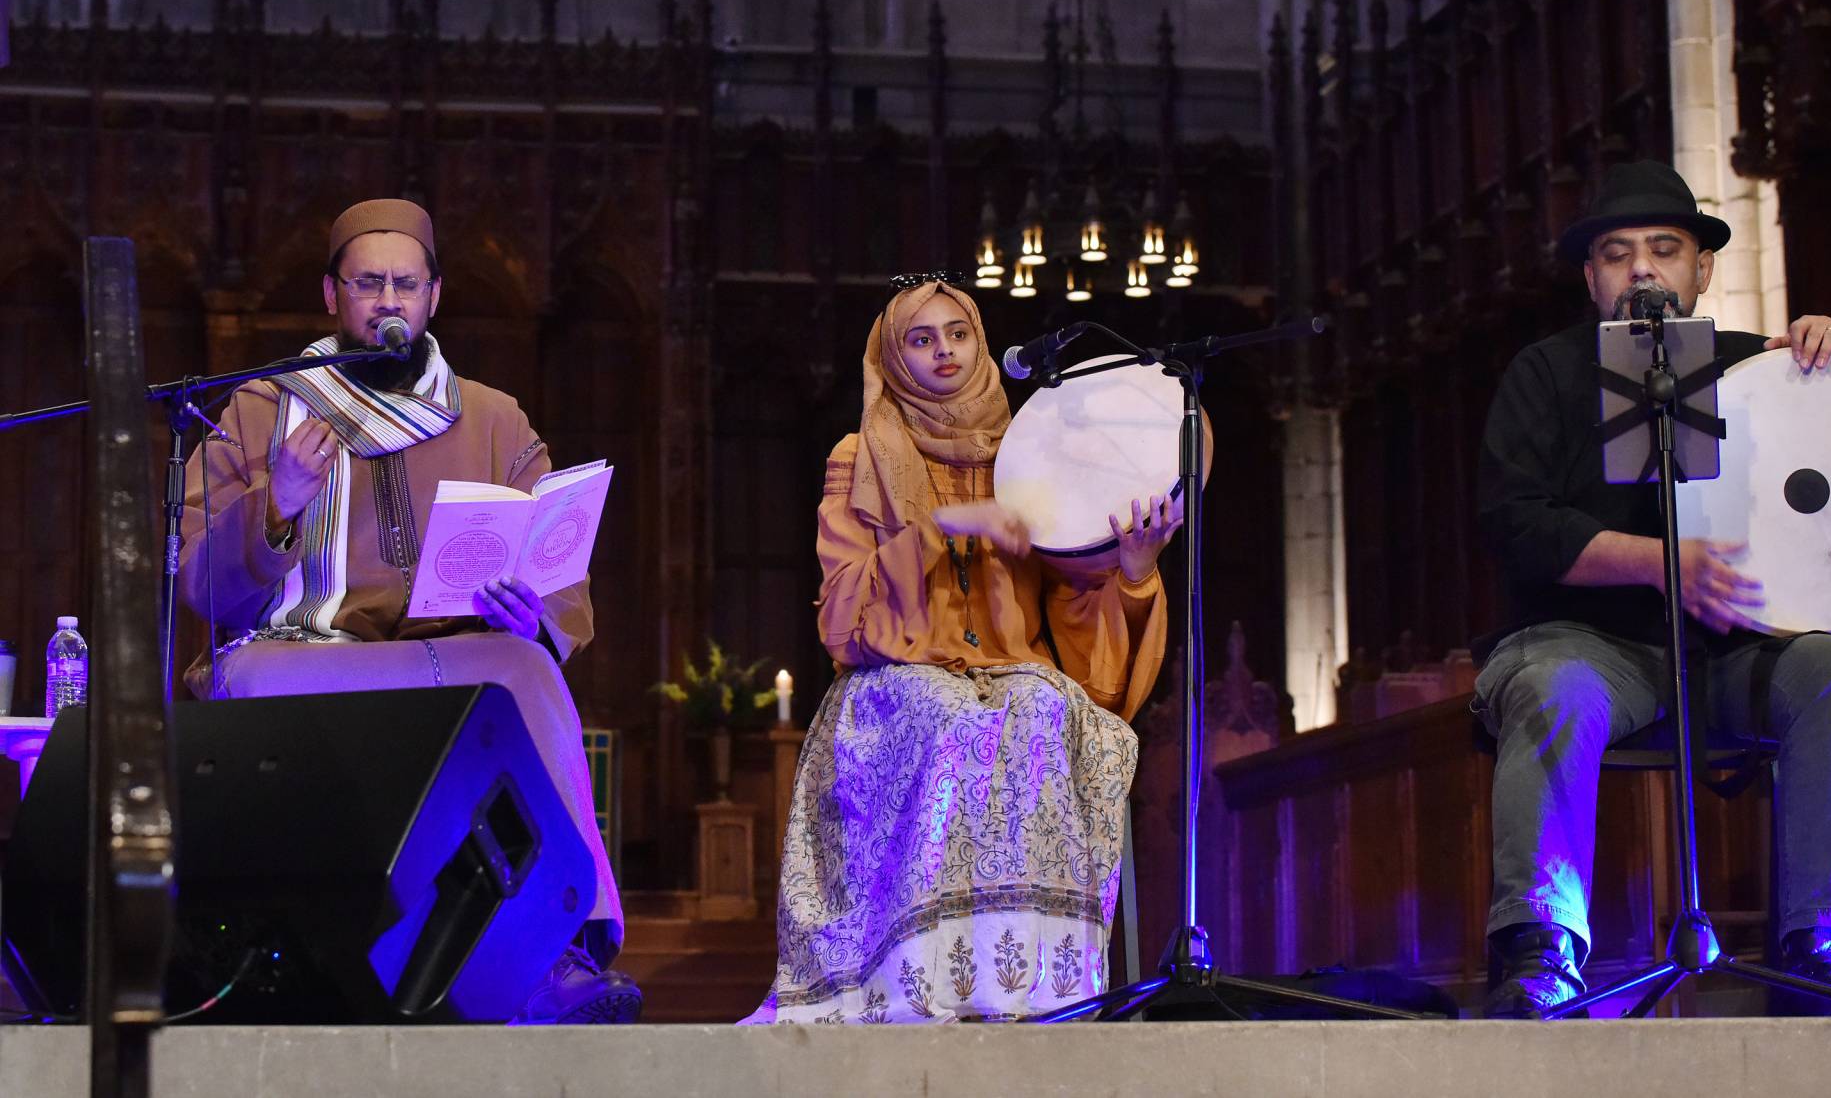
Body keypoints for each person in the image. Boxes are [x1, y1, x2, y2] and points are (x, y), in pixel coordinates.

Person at [178, 198, 641, 1024]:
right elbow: (202, 591)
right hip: (300, 658)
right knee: (241, 679)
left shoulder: (493, 418)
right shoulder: (261, 411)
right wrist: (275, 505)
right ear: (332, 295)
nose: (387, 301)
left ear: (434, 296)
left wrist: (531, 614)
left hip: (442, 658)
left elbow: (562, 579)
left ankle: (565, 950)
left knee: (525, 666)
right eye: (367, 284)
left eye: (405, 283)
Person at [1474, 160, 1831, 1017]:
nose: (1641, 270)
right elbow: (1517, 527)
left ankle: (1822, 941)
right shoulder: (1545, 375)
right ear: (1590, 277)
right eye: (1617, 253)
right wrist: (1660, 563)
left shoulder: (1758, 370)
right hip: (1587, 644)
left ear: (1701, 270)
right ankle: (1543, 948)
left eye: (1665, 250)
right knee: (1554, 689)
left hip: (1734, 649)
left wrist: (1826, 355)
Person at [742, 278, 1176, 1024]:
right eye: (922, 338)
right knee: (943, 713)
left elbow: (1071, 603)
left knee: (1042, 704)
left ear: (980, 343)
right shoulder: (861, 455)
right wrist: (943, 525)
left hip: (1011, 671)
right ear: (894, 356)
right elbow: (844, 617)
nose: (944, 351)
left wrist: (1133, 573)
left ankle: (1035, 985)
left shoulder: (1028, 453)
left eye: (958, 334)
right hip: (899, 675)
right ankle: (921, 985)